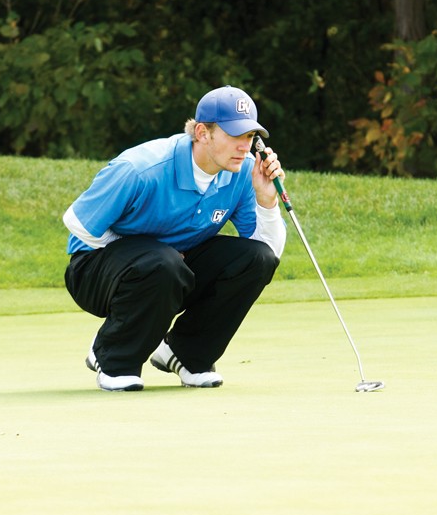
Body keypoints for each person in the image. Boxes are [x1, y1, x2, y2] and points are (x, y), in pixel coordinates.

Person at [63, 85, 286, 392]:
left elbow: (268, 253)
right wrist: (148, 252)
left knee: (255, 259)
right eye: (234, 136)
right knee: (162, 262)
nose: (244, 147)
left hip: (171, 270)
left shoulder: (244, 173)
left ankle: (185, 354)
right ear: (202, 133)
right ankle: (112, 357)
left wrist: (266, 199)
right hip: (93, 271)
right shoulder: (142, 167)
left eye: (249, 137)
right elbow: (77, 223)